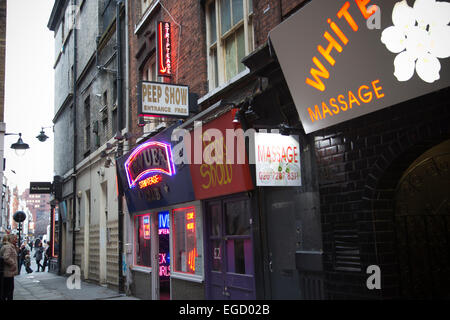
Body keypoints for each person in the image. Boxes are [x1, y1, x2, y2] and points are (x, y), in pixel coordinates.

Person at [0, 234, 19, 301]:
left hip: (9, 272)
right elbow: (6, 257)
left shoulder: (10, 246)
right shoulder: (8, 247)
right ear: (11, 239)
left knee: (7, 291)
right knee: (8, 291)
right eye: (15, 239)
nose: (16, 240)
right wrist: (13, 264)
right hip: (8, 273)